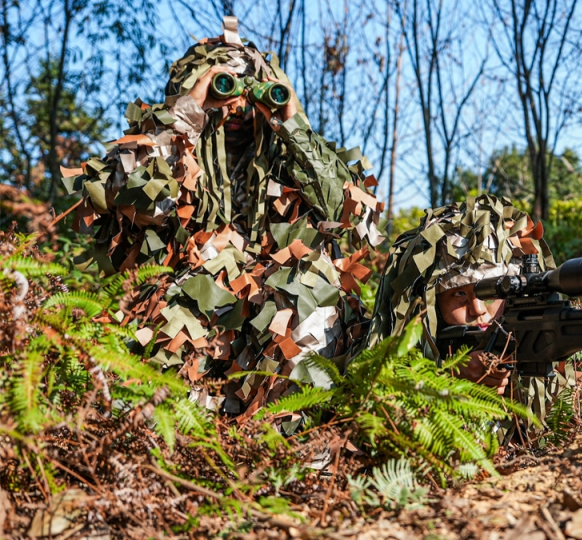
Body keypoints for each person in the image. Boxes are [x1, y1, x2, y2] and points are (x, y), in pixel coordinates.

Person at [63, 18, 382, 423]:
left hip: (276, 317)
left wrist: (293, 126)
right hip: (188, 308)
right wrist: (186, 115)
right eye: (224, 86)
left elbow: (347, 212)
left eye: (249, 91)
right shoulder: (166, 144)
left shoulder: (287, 156)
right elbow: (117, 192)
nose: (237, 105)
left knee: (312, 288)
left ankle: (291, 433)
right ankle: (179, 432)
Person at [369, 194, 572, 437]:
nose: (478, 309)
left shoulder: (536, 338)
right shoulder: (402, 352)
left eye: (491, 291)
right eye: (458, 294)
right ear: (431, 303)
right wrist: (448, 378)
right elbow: (376, 412)